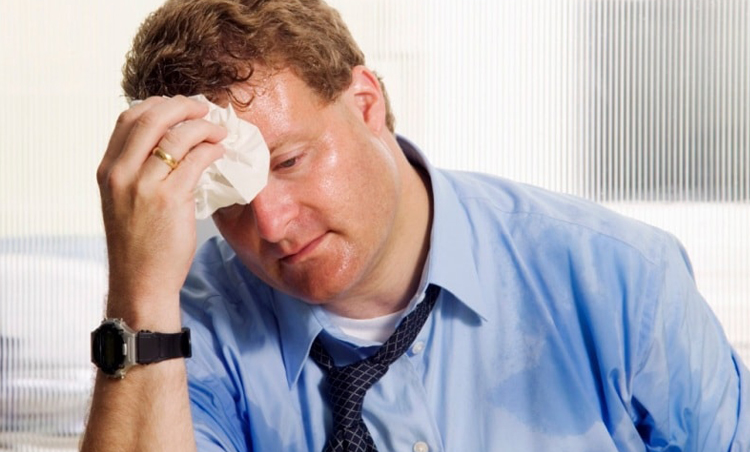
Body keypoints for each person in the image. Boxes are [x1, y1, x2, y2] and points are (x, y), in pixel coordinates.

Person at [81, 0, 750, 451]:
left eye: (289, 161)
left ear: (366, 104)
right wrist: (139, 295)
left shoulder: (621, 280)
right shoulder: (179, 327)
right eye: (226, 197)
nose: (272, 222)